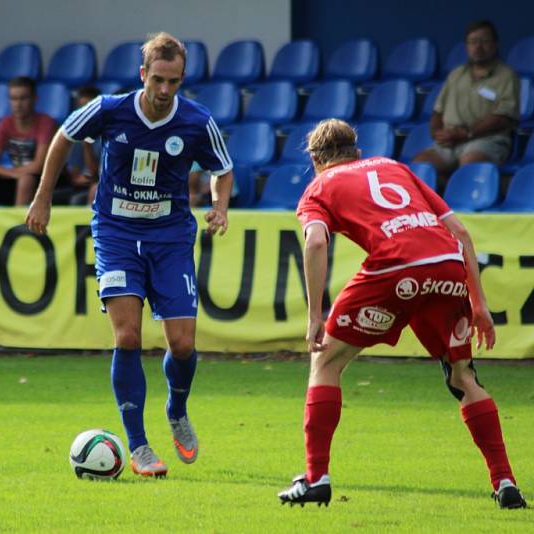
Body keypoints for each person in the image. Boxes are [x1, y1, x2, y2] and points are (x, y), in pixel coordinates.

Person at [278, 119, 526, 509]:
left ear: (315, 160)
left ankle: (316, 477)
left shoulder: (319, 187)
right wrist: (479, 305)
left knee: (325, 361)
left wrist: (315, 314)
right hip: (446, 265)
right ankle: (506, 480)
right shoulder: (395, 167)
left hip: (395, 269)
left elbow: (314, 242)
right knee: (462, 376)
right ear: (356, 153)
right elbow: (460, 232)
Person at [26, 32, 233, 478]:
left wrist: (219, 205)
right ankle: (138, 445)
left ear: (181, 79)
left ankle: (176, 408)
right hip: (117, 232)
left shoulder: (197, 122)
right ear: (143, 74)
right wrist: (43, 198)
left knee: (182, 343)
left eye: (173, 81)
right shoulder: (108, 109)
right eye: (157, 79)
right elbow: (62, 137)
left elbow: (223, 168)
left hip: (171, 236)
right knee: (127, 338)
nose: (164, 90)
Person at [413, 20, 520, 190]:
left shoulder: (507, 76)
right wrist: (437, 134)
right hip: (450, 141)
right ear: (467, 46)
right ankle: (468, 189)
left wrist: (467, 133)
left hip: (486, 139)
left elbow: (503, 118)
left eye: (484, 41)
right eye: (473, 42)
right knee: (418, 168)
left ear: (495, 44)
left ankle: (478, 189)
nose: (478, 47)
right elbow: (437, 111)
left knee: (469, 168)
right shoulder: (456, 74)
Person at [0, 77, 57, 206]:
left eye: (23, 98)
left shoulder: (46, 123)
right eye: (13, 99)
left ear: (34, 99)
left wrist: (16, 174)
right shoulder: (5, 123)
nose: (18, 104)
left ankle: (19, 226)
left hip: (43, 181)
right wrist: (11, 173)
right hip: (17, 177)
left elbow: (39, 166)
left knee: (26, 180)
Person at [61, 85, 102, 206]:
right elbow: (74, 175)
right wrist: (78, 180)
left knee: (77, 200)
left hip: (99, 187)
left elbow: (95, 176)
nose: (85, 113)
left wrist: (87, 145)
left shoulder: (106, 135)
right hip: (80, 186)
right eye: (81, 108)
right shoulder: (75, 134)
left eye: (89, 108)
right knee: (54, 197)